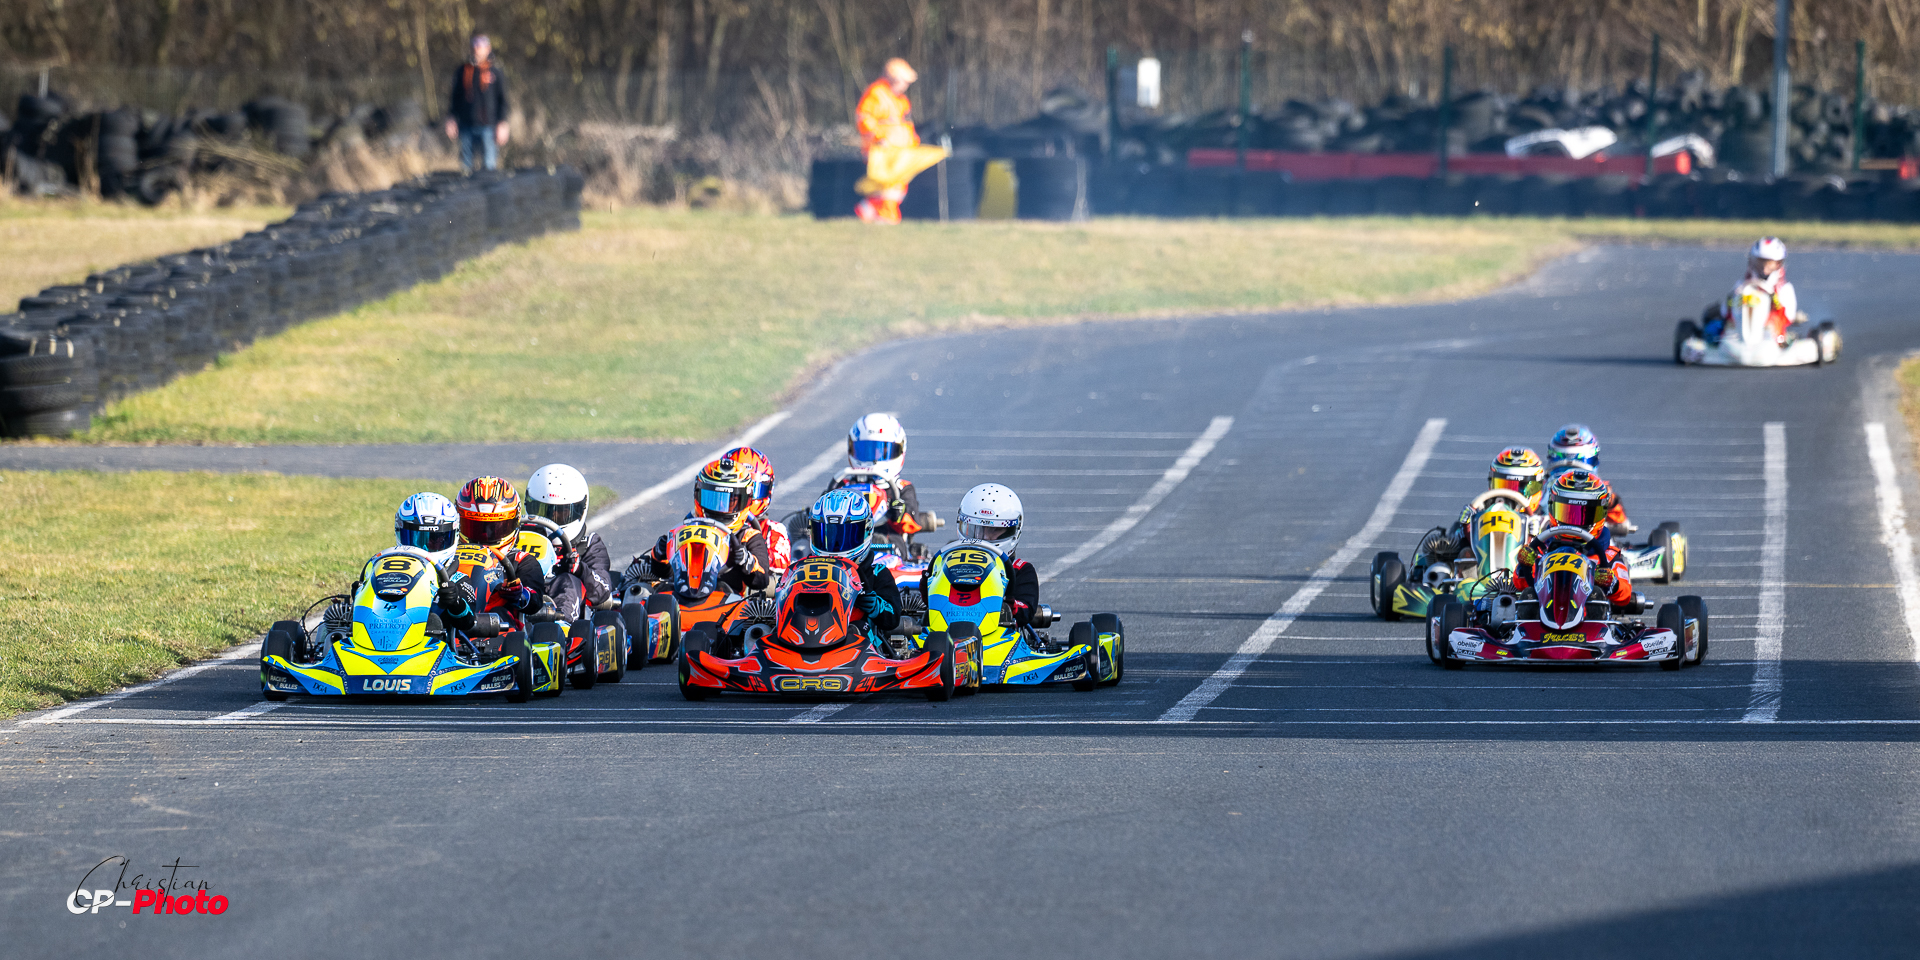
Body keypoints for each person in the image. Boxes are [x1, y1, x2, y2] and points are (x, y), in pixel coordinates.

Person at [639, 458, 772, 596]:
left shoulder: (748, 536)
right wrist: (660, 554)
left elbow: (761, 581)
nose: (721, 508)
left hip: (729, 603)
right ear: (698, 494)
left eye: (730, 501)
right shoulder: (688, 529)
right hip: (682, 599)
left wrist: (745, 560)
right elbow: (664, 573)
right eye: (713, 499)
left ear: (746, 500)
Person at [1512, 469, 1633, 608]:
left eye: (1585, 515)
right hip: (1543, 615)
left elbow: (1625, 594)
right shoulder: (1542, 550)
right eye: (1567, 514)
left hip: (1589, 617)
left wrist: (1611, 582)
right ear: (1552, 508)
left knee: (1596, 595)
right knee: (1528, 595)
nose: (1575, 522)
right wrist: (1523, 566)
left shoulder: (1608, 556)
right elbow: (1520, 583)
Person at [852, 58, 947, 224]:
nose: (907, 85)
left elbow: (904, 125)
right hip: (881, 150)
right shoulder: (877, 94)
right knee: (887, 186)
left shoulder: (900, 100)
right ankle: (885, 216)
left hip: (899, 151)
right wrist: (879, 138)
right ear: (893, 78)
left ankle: (870, 213)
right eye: (905, 80)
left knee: (895, 186)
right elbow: (864, 118)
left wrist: (912, 142)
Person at [807, 488, 903, 648]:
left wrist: (875, 606)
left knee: (858, 628)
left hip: (860, 647)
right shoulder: (805, 572)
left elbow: (893, 618)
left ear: (867, 531)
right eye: (828, 535)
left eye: (845, 536)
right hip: (809, 636)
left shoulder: (876, 574)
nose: (835, 546)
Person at [823, 413, 927, 552]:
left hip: (888, 545)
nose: (874, 459)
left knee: (883, 540)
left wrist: (898, 513)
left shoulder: (901, 488)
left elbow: (912, 523)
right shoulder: (843, 485)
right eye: (866, 450)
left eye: (882, 451)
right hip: (844, 542)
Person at [1424, 447, 1546, 565]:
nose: (1510, 495)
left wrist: (1536, 535)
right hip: (1480, 575)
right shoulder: (1480, 516)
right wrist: (1465, 526)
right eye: (1503, 485)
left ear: (1536, 487)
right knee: (1453, 548)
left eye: (1519, 488)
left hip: (1523, 575)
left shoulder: (1545, 523)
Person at [450, 476, 546, 623]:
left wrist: (520, 594)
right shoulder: (448, 558)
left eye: (494, 529)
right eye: (476, 528)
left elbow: (535, 600)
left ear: (514, 522)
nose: (485, 536)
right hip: (450, 618)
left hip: (500, 628)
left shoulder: (521, 561)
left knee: (501, 614)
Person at [526, 463, 612, 621]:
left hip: (564, 611)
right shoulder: (517, 538)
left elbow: (602, 592)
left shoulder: (588, 545)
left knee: (568, 581)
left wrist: (579, 569)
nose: (551, 518)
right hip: (524, 597)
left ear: (579, 510)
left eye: (561, 513)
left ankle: (560, 626)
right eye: (544, 510)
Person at [955, 482, 1042, 629]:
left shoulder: (1020, 570)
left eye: (994, 530)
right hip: (947, 627)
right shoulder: (950, 563)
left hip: (998, 634)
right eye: (977, 529)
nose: (983, 538)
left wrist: (1007, 606)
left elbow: (1026, 608)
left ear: (1013, 530)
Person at [1704, 237, 1797, 346]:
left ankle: (1774, 343)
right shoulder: (1741, 285)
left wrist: (1774, 301)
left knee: (1775, 326)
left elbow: (1788, 317)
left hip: (1772, 337)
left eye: (1769, 262)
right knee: (1714, 327)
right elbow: (1725, 312)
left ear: (1778, 264)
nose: (1764, 267)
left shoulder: (1784, 288)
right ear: (1753, 261)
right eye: (1761, 262)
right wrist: (1734, 300)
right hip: (1737, 334)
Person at [718, 446, 792, 580]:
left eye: (752, 491)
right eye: (736, 492)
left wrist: (748, 560)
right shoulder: (707, 525)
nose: (744, 498)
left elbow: (778, 580)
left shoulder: (772, 531)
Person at [1548, 423, 1636, 535]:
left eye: (1578, 459)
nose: (1570, 470)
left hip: (1591, 538)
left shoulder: (1600, 488)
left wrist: (1610, 502)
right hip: (1550, 534)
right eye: (1562, 457)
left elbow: (1621, 524)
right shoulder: (1544, 486)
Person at [444, 33, 510, 173]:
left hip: (489, 127)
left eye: (480, 46)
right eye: (475, 46)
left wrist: (502, 123)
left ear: (488, 49)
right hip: (466, 126)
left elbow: (503, 100)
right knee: (466, 169)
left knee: (489, 168)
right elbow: (455, 98)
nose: (477, 50)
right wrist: (451, 118)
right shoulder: (462, 71)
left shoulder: (496, 72)